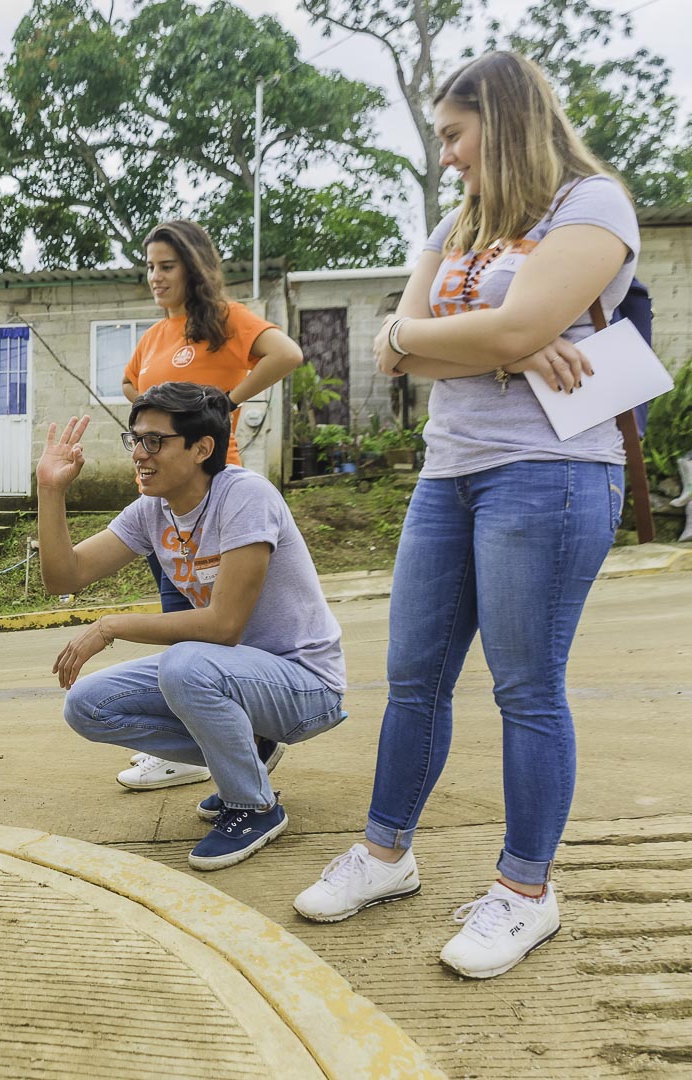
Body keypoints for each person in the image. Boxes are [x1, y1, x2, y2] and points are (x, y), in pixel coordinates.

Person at [293, 51, 640, 981]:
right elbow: (394, 350)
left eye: (454, 134)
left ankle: (527, 893)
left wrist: (495, 340)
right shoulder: (459, 225)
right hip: (450, 473)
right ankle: (386, 853)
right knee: (413, 677)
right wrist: (506, 348)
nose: (445, 156)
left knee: (525, 687)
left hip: (553, 472)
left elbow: (500, 329)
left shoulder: (591, 207)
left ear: (506, 119)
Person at [38, 383, 347, 870]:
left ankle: (254, 808)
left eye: (155, 441)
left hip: (304, 685)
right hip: (229, 675)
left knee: (185, 662)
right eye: (135, 439)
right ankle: (245, 758)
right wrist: (51, 490)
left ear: (202, 447)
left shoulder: (245, 495)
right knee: (87, 705)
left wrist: (111, 626)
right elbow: (64, 576)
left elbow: (223, 626)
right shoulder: (152, 511)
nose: (140, 453)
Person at [116, 219, 304, 793]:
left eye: (166, 266)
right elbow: (132, 389)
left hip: (220, 491)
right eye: (149, 266)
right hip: (164, 497)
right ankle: (198, 742)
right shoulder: (154, 336)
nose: (155, 277)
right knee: (178, 609)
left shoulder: (224, 320)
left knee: (226, 621)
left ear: (193, 267)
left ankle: (249, 736)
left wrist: (226, 400)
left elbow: (286, 353)